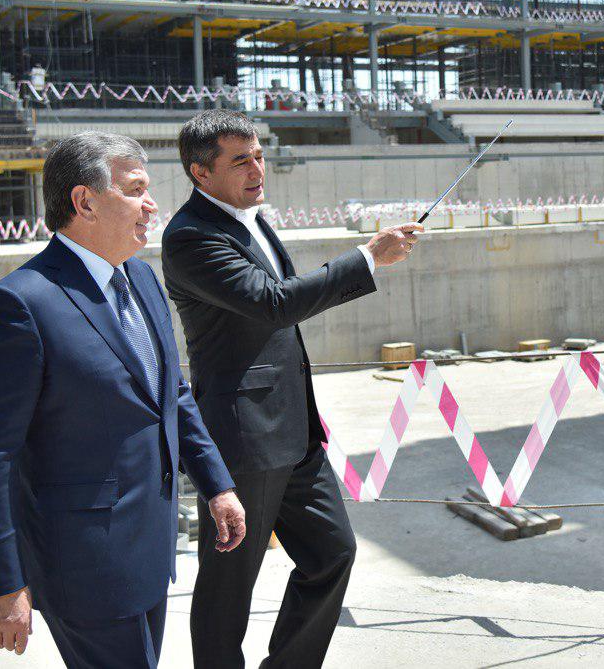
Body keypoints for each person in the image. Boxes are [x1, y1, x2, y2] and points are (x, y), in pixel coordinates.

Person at [0, 132, 246, 668]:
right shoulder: (20, 304)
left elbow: (172, 394)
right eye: (136, 190)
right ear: (84, 201)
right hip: (82, 564)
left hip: (149, 550)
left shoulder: (139, 276)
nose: (152, 204)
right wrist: (0, 583)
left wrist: (217, 484)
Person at [162, 110, 422, 668]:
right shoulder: (190, 237)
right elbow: (275, 303)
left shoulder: (249, 218)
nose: (258, 169)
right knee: (228, 591)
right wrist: (368, 259)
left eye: (259, 156)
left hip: (295, 432)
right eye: (241, 161)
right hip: (242, 441)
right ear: (199, 172)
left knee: (333, 553)